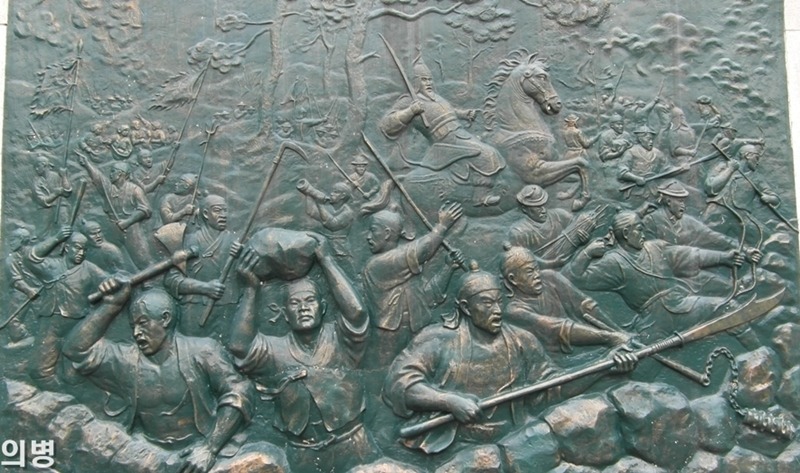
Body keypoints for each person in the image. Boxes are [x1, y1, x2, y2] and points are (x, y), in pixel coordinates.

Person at [383, 263, 637, 453]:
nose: (497, 310)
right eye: (486, 303)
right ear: (466, 307)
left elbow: (553, 388)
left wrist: (605, 366)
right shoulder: (438, 339)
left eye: (499, 302)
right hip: (454, 445)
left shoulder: (522, 340)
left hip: (513, 441)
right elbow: (399, 384)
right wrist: (449, 400)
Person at [62, 283, 255, 473]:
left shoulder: (203, 351)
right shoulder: (126, 360)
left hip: (200, 449)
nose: (136, 333)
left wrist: (209, 449)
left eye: (143, 323)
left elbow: (239, 393)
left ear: (165, 319)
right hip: (145, 453)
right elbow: (75, 350)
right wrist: (111, 306)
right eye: (133, 326)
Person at [229, 236, 377, 472]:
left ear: (323, 307)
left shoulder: (341, 339)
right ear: (285, 314)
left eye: (310, 301)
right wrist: (250, 289)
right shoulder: (275, 350)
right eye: (295, 303)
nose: (303, 308)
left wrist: (326, 261)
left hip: (353, 446)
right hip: (301, 454)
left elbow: (357, 314)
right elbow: (240, 346)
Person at [563, 210, 744, 339]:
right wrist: (586, 253)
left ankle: (755, 355)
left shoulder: (656, 247)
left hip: (681, 305)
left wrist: (724, 257)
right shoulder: (613, 262)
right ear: (626, 233)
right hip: (653, 323)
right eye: (639, 229)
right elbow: (571, 279)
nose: (643, 234)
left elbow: (691, 255)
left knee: (730, 308)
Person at [379, 57, 505, 206]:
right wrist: (410, 111)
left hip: (461, 134)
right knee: (487, 154)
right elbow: (387, 125)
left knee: (491, 144)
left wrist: (464, 114)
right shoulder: (409, 100)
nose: (428, 83)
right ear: (416, 82)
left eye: (429, 80)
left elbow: (447, 111)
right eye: (424, 80)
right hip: (445, 141)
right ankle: (480, 197)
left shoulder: (436, 98)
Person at [362, 203, 464, 366]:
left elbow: (428, 297)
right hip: (388, 340)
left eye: (373, 230)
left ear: (387, 233)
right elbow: (420, 252)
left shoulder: (406, 271)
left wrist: (448, 268)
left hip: (418, 332)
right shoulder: (376, 265)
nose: (368, 236)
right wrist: (442, 226)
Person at [500, 244, 628, 355]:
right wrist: (609, 338)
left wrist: (618, 331)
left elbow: (585, 305)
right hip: (562, 362)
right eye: (529, 272)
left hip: (596, 343)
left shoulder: (550, 278)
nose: (537, 275)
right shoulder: (514, 311)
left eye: (536, 269)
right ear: (513, 279)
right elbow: (561, 328)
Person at [23, 227, 108, 384]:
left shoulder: (89, 268)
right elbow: (31, 258)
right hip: (51, 323)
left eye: (84, 249)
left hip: (76, 324)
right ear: (67, 247)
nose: (81, 253)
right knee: (39, 370)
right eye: (77, 248)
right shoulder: (53, 266)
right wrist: (56, 238)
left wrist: (111, 283)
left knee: (73, 375)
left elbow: (109, 280)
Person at [165, 194, 240, 338]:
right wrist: (205, 288)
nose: (223, 215)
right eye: (217, 210)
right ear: (205, 214)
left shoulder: (235, 242)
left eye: (225, 210)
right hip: (195, 309)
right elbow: (171, 280)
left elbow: (248, 278)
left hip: (227, 310)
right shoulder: (189, 240)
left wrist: (241, 257)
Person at [78, 156, 154, 269]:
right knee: (111, 255)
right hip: (112, 228)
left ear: (120, 174)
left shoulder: (135, 190)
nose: (110, 174)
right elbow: (99, 179)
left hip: (131, 229)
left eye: (113, 171)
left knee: (142, 258)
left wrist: (128, 222)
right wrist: (87, 163)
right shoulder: (110, 189)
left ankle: (149, 277)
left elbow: (146, 208)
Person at [507, 185, 596, 268]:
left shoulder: (560, 215)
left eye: (543, 205)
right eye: (537, 207)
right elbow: (521, 259)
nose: (543, 210)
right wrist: (552, 263)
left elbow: (577, 228)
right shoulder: (518, 232)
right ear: (524, 209)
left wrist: (585, 239)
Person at [618, 125, 669, 200]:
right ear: (640, 139)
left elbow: (667, 169)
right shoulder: (631, 152)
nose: (651, 142)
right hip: (636, 191)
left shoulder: (658, 153)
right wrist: (636, 179)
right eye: (648, 139)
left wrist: (681, 168)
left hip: (655, 190)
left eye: (652, 139)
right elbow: (621, 172)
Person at [31, 154, 72, 230]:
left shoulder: (57, 176)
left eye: (38, 166)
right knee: (42, 230)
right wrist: (56, 194)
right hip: (45, 211)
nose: (36, 169)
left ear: (44, 165)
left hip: (60, 207)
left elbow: (67, 191)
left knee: (64, 227)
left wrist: (64, 176)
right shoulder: (36, 181)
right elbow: (42, 200)